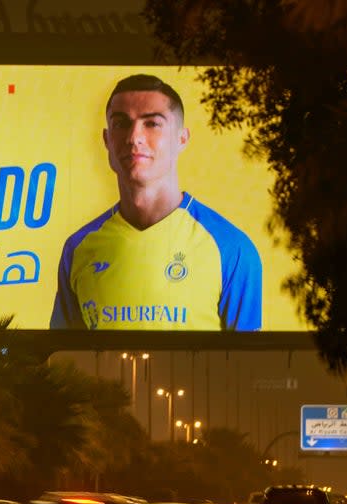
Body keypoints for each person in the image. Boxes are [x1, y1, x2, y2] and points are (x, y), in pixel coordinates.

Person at [49, 74, 263, 331]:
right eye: (121, 124)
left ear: (181, 139)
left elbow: (244, 367)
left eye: (151, 124)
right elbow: (62, 364)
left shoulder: (231, 248)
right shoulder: (78, 249)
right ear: (107, 140)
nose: (134, 137)